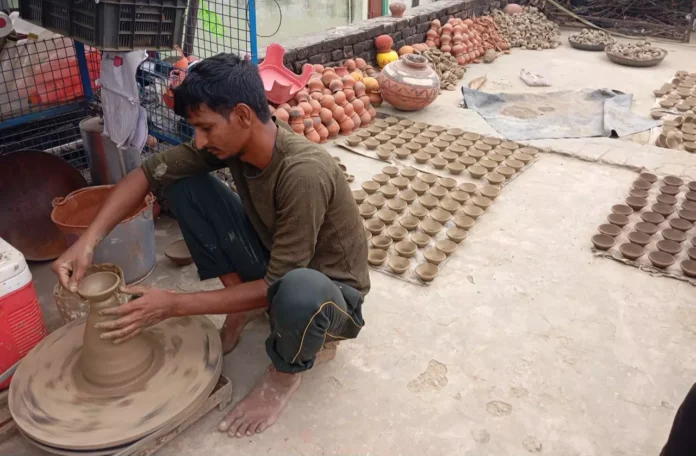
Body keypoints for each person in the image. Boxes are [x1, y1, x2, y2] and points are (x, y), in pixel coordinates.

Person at [52, 53, 370, 438]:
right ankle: (240, 305)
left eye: (204, 128)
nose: (199, 140)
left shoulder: (303, 173)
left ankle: (285, 373)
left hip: (333, 296)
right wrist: (87, 243)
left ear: (241, 115)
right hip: (279, 264)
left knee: (298, 290)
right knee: (183, 183)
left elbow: (278, 283)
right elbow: (146, 175)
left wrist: (173, 303)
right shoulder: (232, 142)